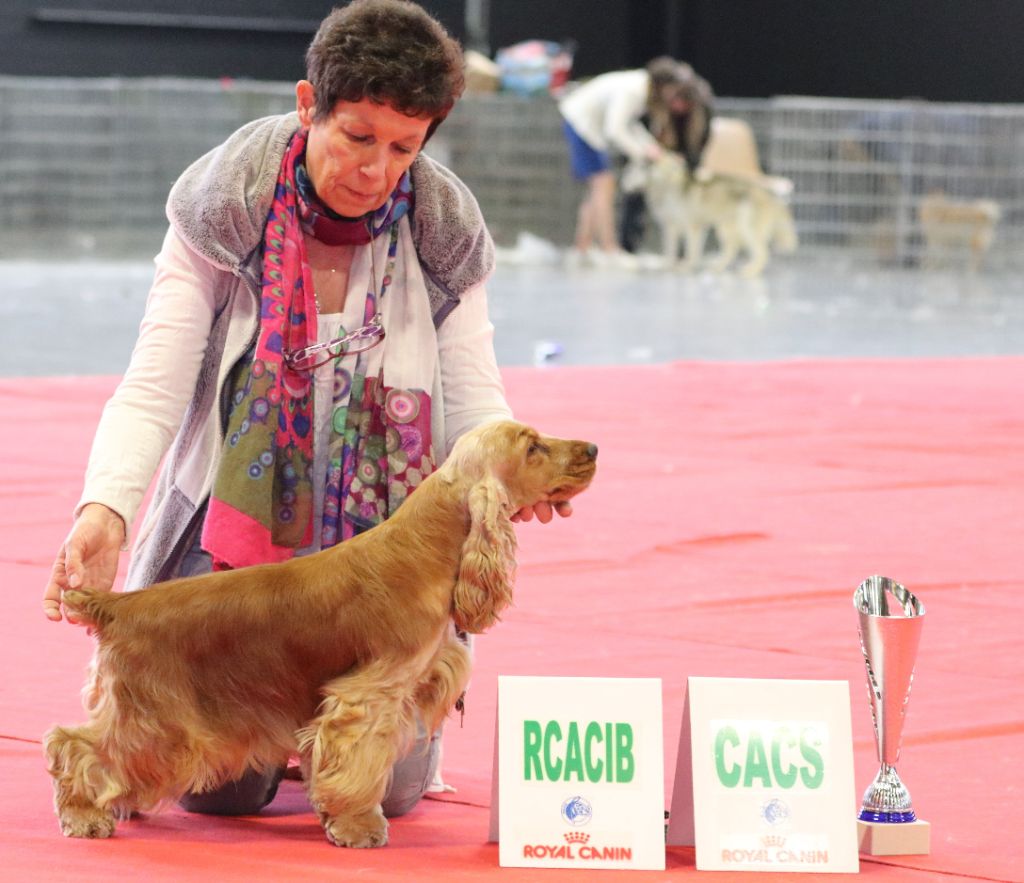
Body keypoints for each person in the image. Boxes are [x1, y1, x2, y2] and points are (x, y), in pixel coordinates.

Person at [42, 0, 571, 820]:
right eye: (356, 137)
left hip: (382, 568)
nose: (377, 168)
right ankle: (272, 731)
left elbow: (474, 397)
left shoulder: (444, 231)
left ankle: (319, 729)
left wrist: (508, 473)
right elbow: (154, 382)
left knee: (390, 791)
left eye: (405, 146)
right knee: (220, 791)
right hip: (233, 553)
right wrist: (105, 510)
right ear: (306, 105)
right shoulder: (226, 209)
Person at [558, 57, 713, 263]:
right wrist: (641, 154)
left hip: (588, 125)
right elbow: (616, 129)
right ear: (663, 84)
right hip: (581, 123)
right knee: (604, 185)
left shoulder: (643, 90)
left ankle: (582, 247)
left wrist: (651, 147)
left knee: (597, 189)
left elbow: (631, 125)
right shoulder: (634, 90)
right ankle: (609, 249)